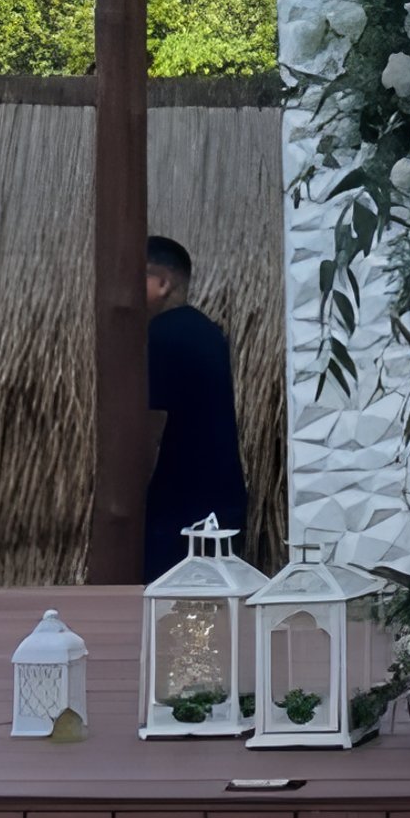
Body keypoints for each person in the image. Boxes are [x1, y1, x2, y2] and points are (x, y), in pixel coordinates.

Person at [142, 235, 246, 581]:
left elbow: (151, 430)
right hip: (219, 503)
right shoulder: (209, 332)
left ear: (162, 283)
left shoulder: (158, 338)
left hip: (175, 510)